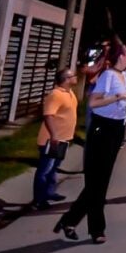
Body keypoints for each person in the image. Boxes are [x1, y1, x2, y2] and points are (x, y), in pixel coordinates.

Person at [55, 38, 126, 244]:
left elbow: (124, 101)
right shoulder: (108, 76)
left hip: (117, 129)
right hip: (102, 129)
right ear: (121, 56)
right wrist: (119, 97)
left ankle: (69, 220)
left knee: (99, 182)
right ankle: (96, 230)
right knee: (97, 183)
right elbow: (94, 102)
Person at [33, 68, 78, 210]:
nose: (76, 77)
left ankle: (49, 192)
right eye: (73, 76)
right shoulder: (56, 95)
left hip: (63, 140)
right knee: (45, 170)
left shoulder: (69, 92)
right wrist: (54, 135)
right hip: (52, 140)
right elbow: (48, 116)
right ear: (66, 79)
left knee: (54, 168)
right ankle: (39, 199)